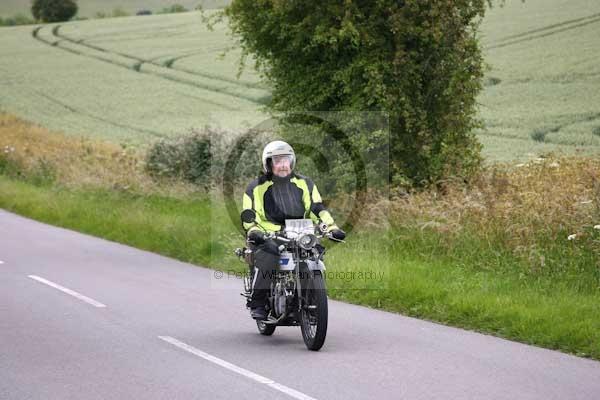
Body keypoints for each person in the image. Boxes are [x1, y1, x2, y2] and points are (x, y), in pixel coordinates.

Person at [242, 140, 346, 320]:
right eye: (277, 161)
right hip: (270, 234)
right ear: (268, 164)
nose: (283, 165)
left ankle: (311, 300)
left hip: (300, 232)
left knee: (314, 253)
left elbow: (317, 208)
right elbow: (248, 213)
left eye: (286, 160)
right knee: (271, 254)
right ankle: (258, 302)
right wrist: (253, 230)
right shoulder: (255, 187)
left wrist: (332, 227)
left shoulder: (305, 183)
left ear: (292, 162)